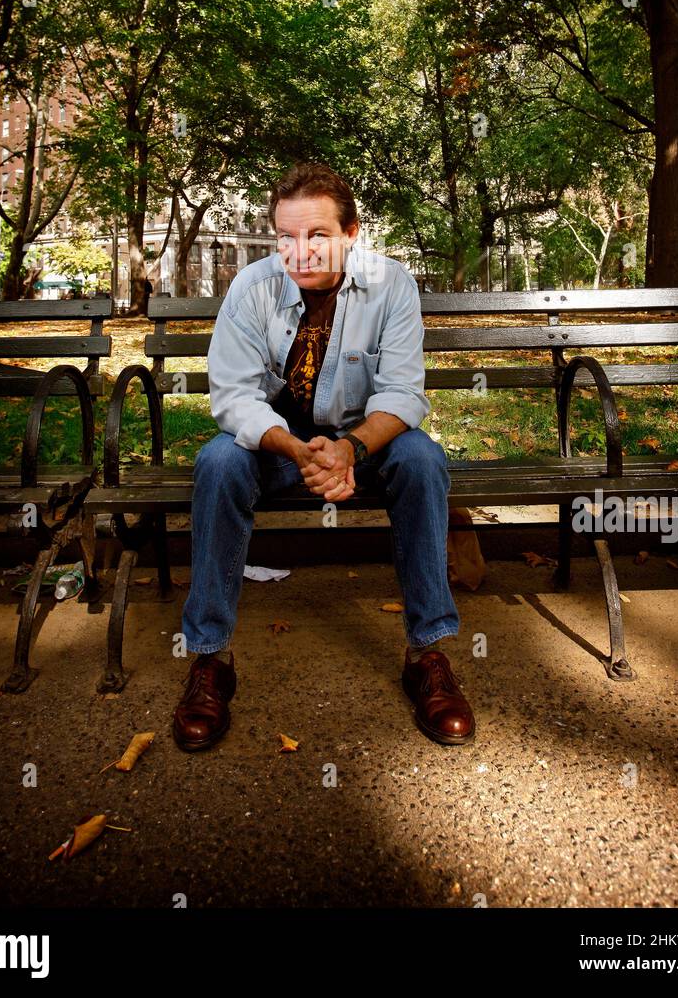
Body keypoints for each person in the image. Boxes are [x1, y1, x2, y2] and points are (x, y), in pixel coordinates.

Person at [172, 161, 474, 750]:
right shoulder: (251, 289)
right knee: (217, 463)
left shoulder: (393, 285)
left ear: (352, 233)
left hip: (366, 439)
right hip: (277, 442)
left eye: (317, 236)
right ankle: (211, 658)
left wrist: (349, 450)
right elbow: (233, 397)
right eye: (286, 237)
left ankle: (427, 653)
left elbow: (403, 394)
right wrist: (296, 447)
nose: (299, 252)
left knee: (422, 461)